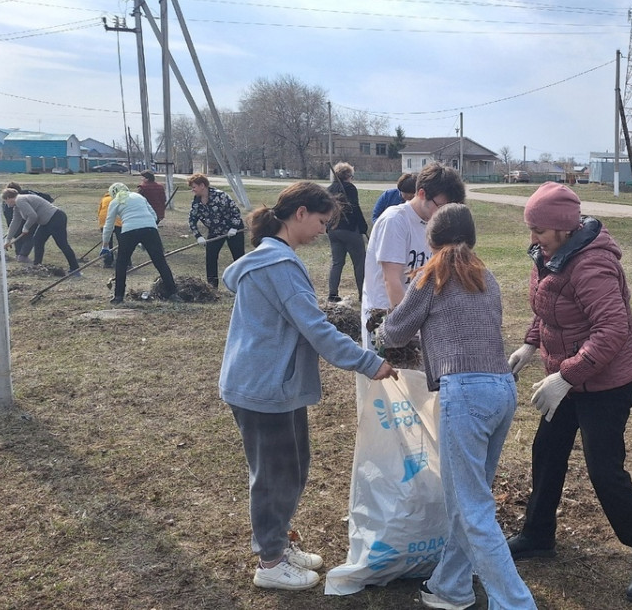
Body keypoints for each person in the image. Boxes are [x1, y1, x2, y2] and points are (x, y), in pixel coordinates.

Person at [219, 181, 397, 592]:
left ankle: (277, 542)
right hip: (264, 388)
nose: (322, 231)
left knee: (292, 468)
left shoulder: (274, 259)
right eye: (320, 221)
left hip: (272, 384)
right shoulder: (278, 265)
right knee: (275, 476)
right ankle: (270, 562)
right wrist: (369, 363)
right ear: (299, 213)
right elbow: (316, 327)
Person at [506, 182, 632, 604]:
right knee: (546, 450)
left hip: (609, 381)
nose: (532, 238)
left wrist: (565, 376)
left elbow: (611, 330)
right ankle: (537, 535)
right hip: (572, 376)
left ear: (563, 227)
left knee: (603, 469)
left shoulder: (592, 265)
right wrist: (530, 343)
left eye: (538, 229)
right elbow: (550, 311)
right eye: (531, 228)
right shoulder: (549, 255)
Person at [378, 203, 536, 610]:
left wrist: (379, 325)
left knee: (473, 510)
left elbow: (395, 333)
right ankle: (451, 586)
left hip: (465, 394)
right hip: (502, 389)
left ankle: (516, 604)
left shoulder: (431, 276)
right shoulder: (488, 277)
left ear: (431, 241)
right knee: (470, 500)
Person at [360, 164, 465, 344]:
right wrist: (406, 328)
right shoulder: (395, 221)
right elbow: (391, 281)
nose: (442, 214)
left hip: (413, 318)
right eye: (440, 207)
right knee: (389, 372)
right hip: (387, 319)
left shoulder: (432, 224)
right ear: (422, 194)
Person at [101, 183, 182, 305]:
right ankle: (173, 293)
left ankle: (118, 296)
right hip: (150, 229)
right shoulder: (139, 197)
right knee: (160, 262)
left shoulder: (115, 201)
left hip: (129, 231)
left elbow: (108, 226)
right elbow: (154, 216)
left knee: (121, 264)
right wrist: (147, 238)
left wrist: (105, 246)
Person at [2, 187, 81, 275]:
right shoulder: (17, 207)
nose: (6, 203)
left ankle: (75, 269)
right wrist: (8, 240)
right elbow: (15, 222)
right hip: (46, 222)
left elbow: (33, 216)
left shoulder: (20, 200)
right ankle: (37, 267)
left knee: (62, 244)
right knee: (37, 241)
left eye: (5, 201)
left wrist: (26, 227)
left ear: (8, 198)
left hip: (56, 218)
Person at [187, 173, 246, 288]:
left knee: (239, 258)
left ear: (202, 185)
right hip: (215, 231)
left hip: (234, 230)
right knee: (211, 257)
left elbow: (235, 212)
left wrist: (233, 228)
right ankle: (212, 287)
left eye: (194, 187)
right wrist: (198, 236)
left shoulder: (221, 196)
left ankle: (242, 284)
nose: (192, 190)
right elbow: (192, 220)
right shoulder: (196, 202)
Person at [326, 162, 369, 302]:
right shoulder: (350, 188)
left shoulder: (330, 188)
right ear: (348, 175)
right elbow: (355, 208)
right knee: (359, 262)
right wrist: (363, 227)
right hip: (350, 229)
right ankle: (363, 295)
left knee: (337, 262)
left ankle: (332, 294)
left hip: (333, 229)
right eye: (351, 175)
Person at [2, 182, 50, 262]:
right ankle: (22, 255)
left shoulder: (6, 201)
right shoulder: (24, 195)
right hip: (24, 221)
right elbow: (43, 197)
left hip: (14, 223)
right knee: (31, 236)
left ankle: (19, 254)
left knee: (18, 235)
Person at [98, 189, 124, 268]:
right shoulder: (120, 199)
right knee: (123, 242)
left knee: (108, 243)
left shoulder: (104, 199)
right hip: (118, 222)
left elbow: (99, 211)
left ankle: (108, 262)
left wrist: (101, 225)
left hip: (104, 221)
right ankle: (125, 262)